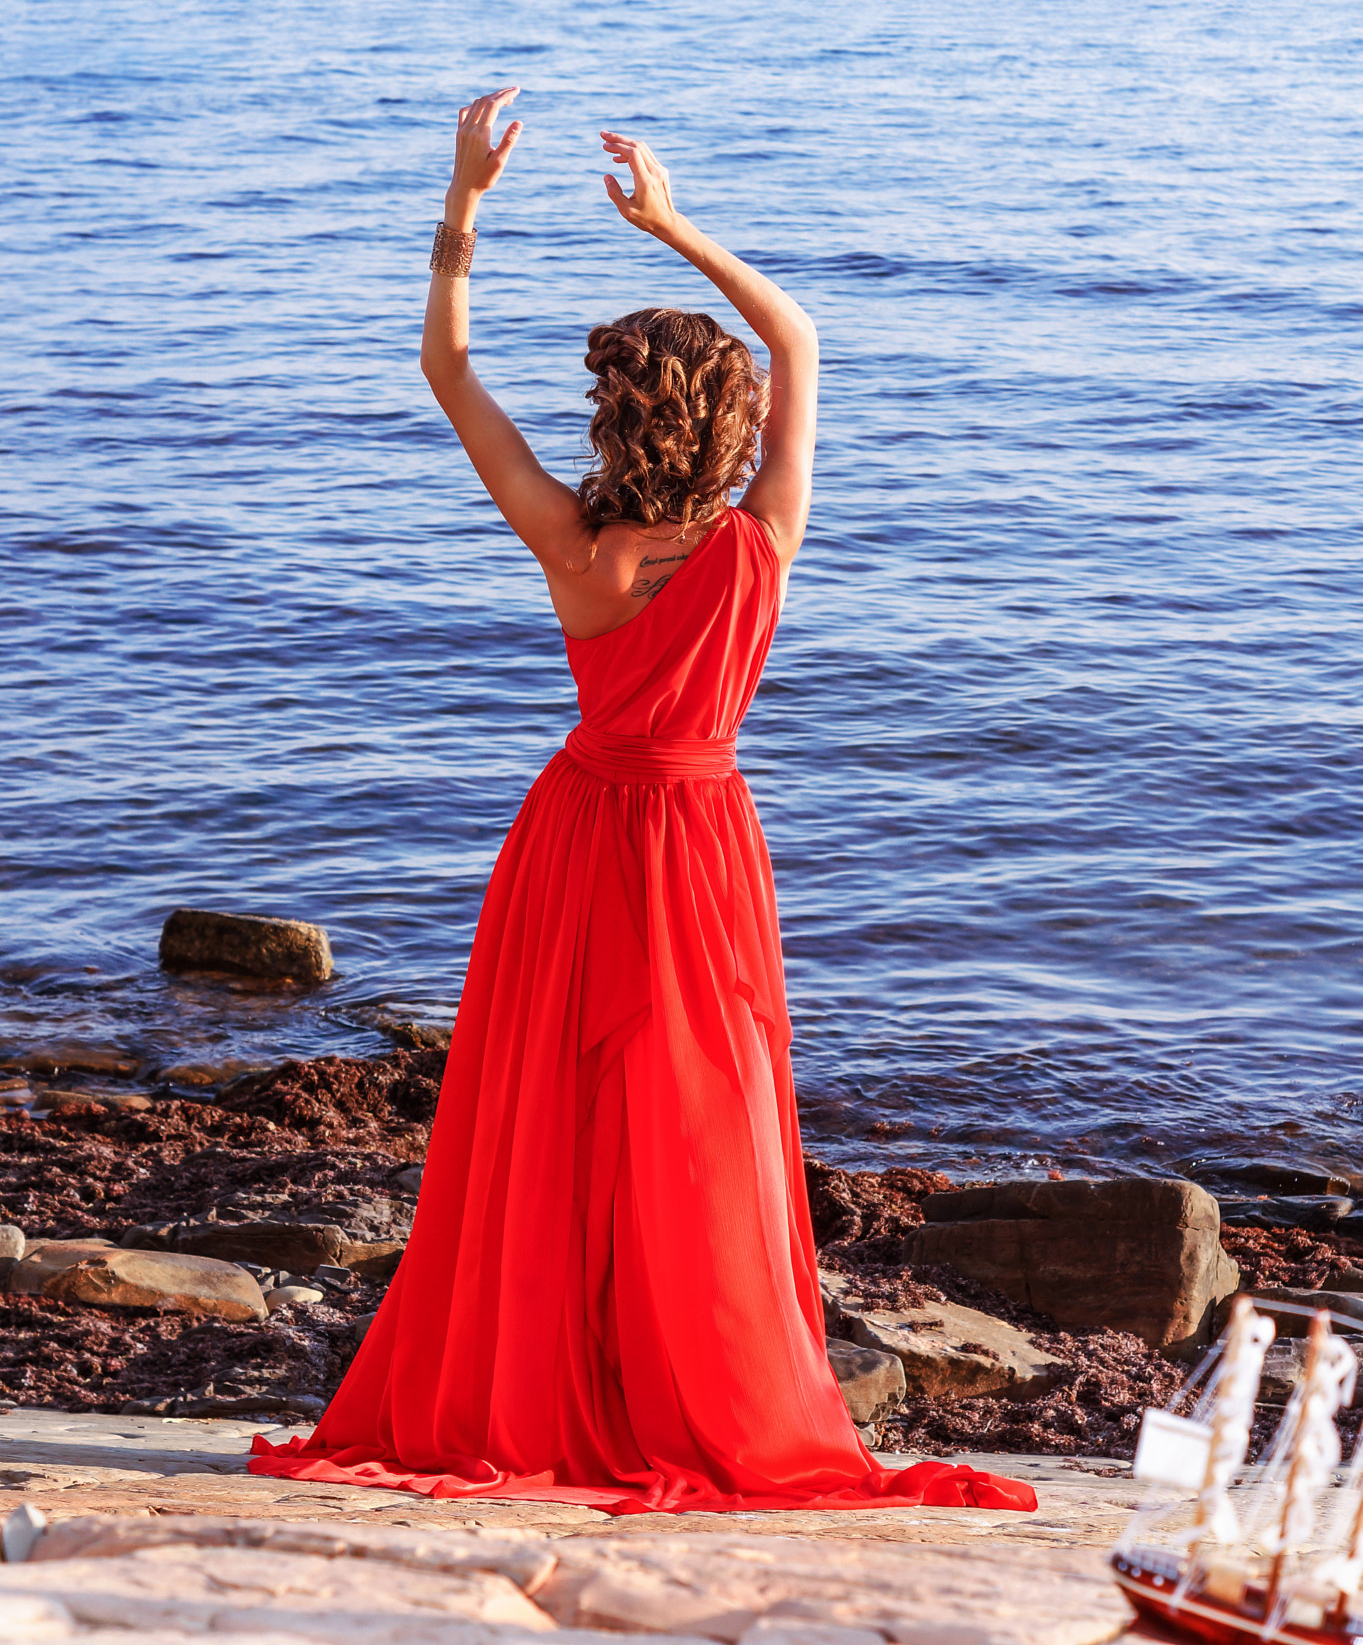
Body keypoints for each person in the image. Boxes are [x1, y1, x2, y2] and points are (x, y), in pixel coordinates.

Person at [250, 88, 1035, 1515]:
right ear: (731, 419)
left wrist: (465, 206)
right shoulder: (762, 539)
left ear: (614, 413)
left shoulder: (574, 540)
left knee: (544, 1115)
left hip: (572, 834)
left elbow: (447, 371)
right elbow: (800, 336)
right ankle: (689, 1382)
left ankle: (551, 1378)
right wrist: (672, 224)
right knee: (694, 1120)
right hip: (697, 841)